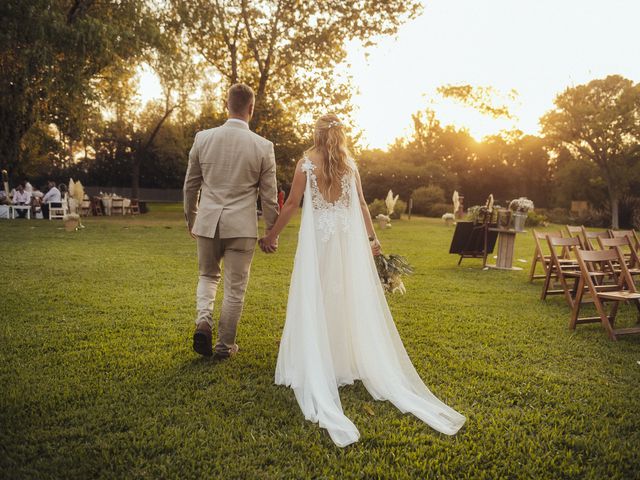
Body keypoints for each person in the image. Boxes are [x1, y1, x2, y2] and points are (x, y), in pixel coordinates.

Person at [259, 114, 466, 447]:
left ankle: (321, 360)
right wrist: (373, 241)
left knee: (318, 295)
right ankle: (342, 360)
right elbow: (363, 209)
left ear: (316, 133)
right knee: (345, 297)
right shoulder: (349, 165)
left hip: (319, 244)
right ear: (340, 135)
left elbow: (293, 204)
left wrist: (271, 235)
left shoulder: (305, 164)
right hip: (345, 242)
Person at [183, 83, 278, 359]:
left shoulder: (203, 138)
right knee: (235, 288)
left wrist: (192, 219)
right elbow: (269, 196)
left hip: (209, 222)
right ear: (251, 108)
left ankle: (204, 320)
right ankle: (225, 347)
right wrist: (271, 232)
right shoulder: (263, 146)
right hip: (242, 227)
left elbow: (191, 186)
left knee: (207, 276)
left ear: (227, 105)